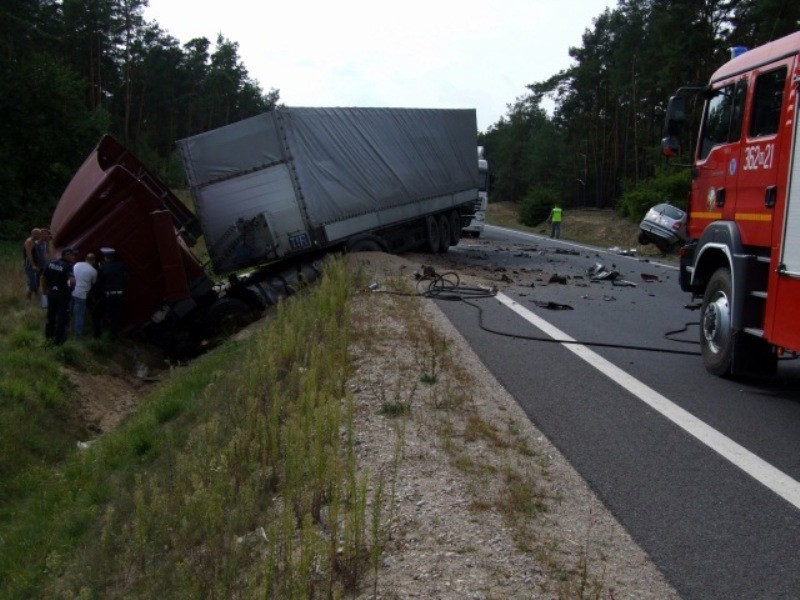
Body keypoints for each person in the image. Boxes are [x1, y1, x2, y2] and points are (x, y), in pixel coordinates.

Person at [43, 247, 77, 345]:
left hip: (51, 293)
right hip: (62, 295)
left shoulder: (51, 263)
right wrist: (71, 289)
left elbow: (43, 277)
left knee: (50, 317)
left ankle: (48, 338)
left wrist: (45, 290)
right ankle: (58, 341)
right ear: (67, 255)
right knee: (62, 318)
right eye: (73, 255)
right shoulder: (67, 266)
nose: (74, 257)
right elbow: (72, 281)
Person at [93, 247, 127, 340]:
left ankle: (97, 335)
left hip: (107, 295)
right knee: (115, 316)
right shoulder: (121, 266)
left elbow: (99, 282)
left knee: (97, 313)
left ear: (105, 258)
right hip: (119, 295)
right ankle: (113, 337)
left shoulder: (103, 268)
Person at [71, 252, 97, 339]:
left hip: (72, 291)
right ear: (93, 261)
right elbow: (93, 283)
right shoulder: (93, 271)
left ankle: (67, 329)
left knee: (69, 311)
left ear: (86, 258)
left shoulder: (77, 264)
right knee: (79, 314)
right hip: (81, 294)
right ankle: (78, 335)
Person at [23, 228, 42, 301]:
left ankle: (34, 300)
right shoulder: (29, 241)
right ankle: (28, 299)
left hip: (36, 265)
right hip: (30, 265)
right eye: (39, 234)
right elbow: (29, 254)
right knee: (32, 283)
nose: (40, 236)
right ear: (35, 234)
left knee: (36, 283)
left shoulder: (35, 242)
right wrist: (33, 265)